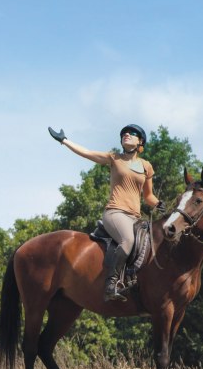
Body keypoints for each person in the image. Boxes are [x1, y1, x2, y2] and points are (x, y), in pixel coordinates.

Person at [48, 124, 166, 302]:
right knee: (128, 241)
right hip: (115, 212)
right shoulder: (114, 158)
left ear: (140, 141)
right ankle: (111, 284)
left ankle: (133, 282)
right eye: (124, 133)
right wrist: (64, 141)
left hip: (135, 217)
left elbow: (148, 196)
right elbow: (86, 153)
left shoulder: (146, 166)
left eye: (132, 133)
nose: (127, 134)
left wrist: (158, 204)